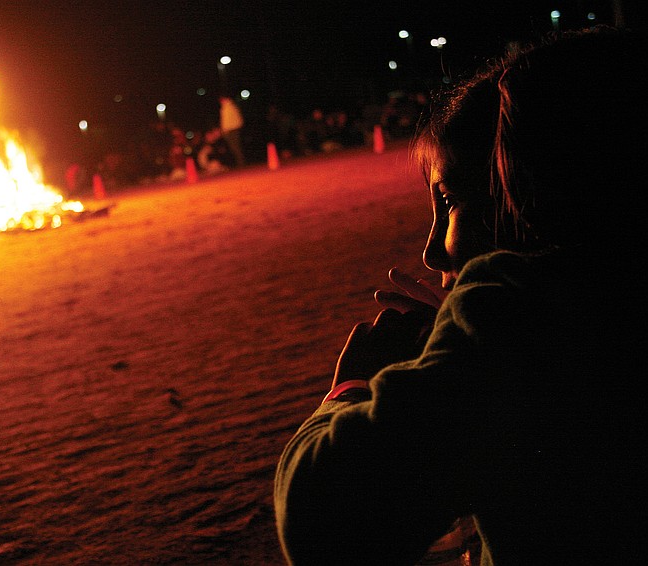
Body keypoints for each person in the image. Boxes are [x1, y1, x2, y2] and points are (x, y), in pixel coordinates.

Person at [274, 25, 646, 566]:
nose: (430, 251)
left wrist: (355, 385)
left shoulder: (521, 310)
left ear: (534, 185)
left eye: (448, 200)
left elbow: (320, 520)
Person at [219, 95, 246, 168]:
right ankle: (239, 162)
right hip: (231, 130)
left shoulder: (229, 108)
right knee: (234, 147)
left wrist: (226, 129)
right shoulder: (226, 108)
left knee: (235, 147)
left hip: (232, 130)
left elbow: (227, 121)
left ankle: (241, 162)